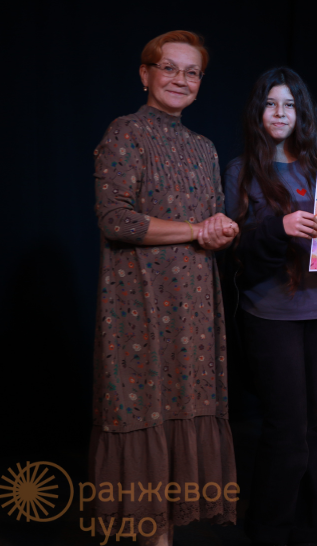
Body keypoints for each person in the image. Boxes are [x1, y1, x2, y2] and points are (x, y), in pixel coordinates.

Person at [91, 30, 239, 546]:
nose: (180, 79)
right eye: (169, 68)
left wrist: (220, 231)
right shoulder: (125, 132)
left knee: (184, 409)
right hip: (139, 302)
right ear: (145, 73)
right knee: (144, 409)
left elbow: (209, 222)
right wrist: (197, 231)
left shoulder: (204, 147)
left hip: (193, 306)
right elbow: (116, 220)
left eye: (191, 72)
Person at [224, 67, 317, 546]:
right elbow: (236, 249)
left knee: (310, 426)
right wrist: (280, 227)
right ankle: (268, 530)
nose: (280, 113)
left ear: (300, 113)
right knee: (287, 430)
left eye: (289, 105)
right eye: (271, 104)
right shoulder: (241, 171)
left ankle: (307, 527)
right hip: (271, 313)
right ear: (258, 111)